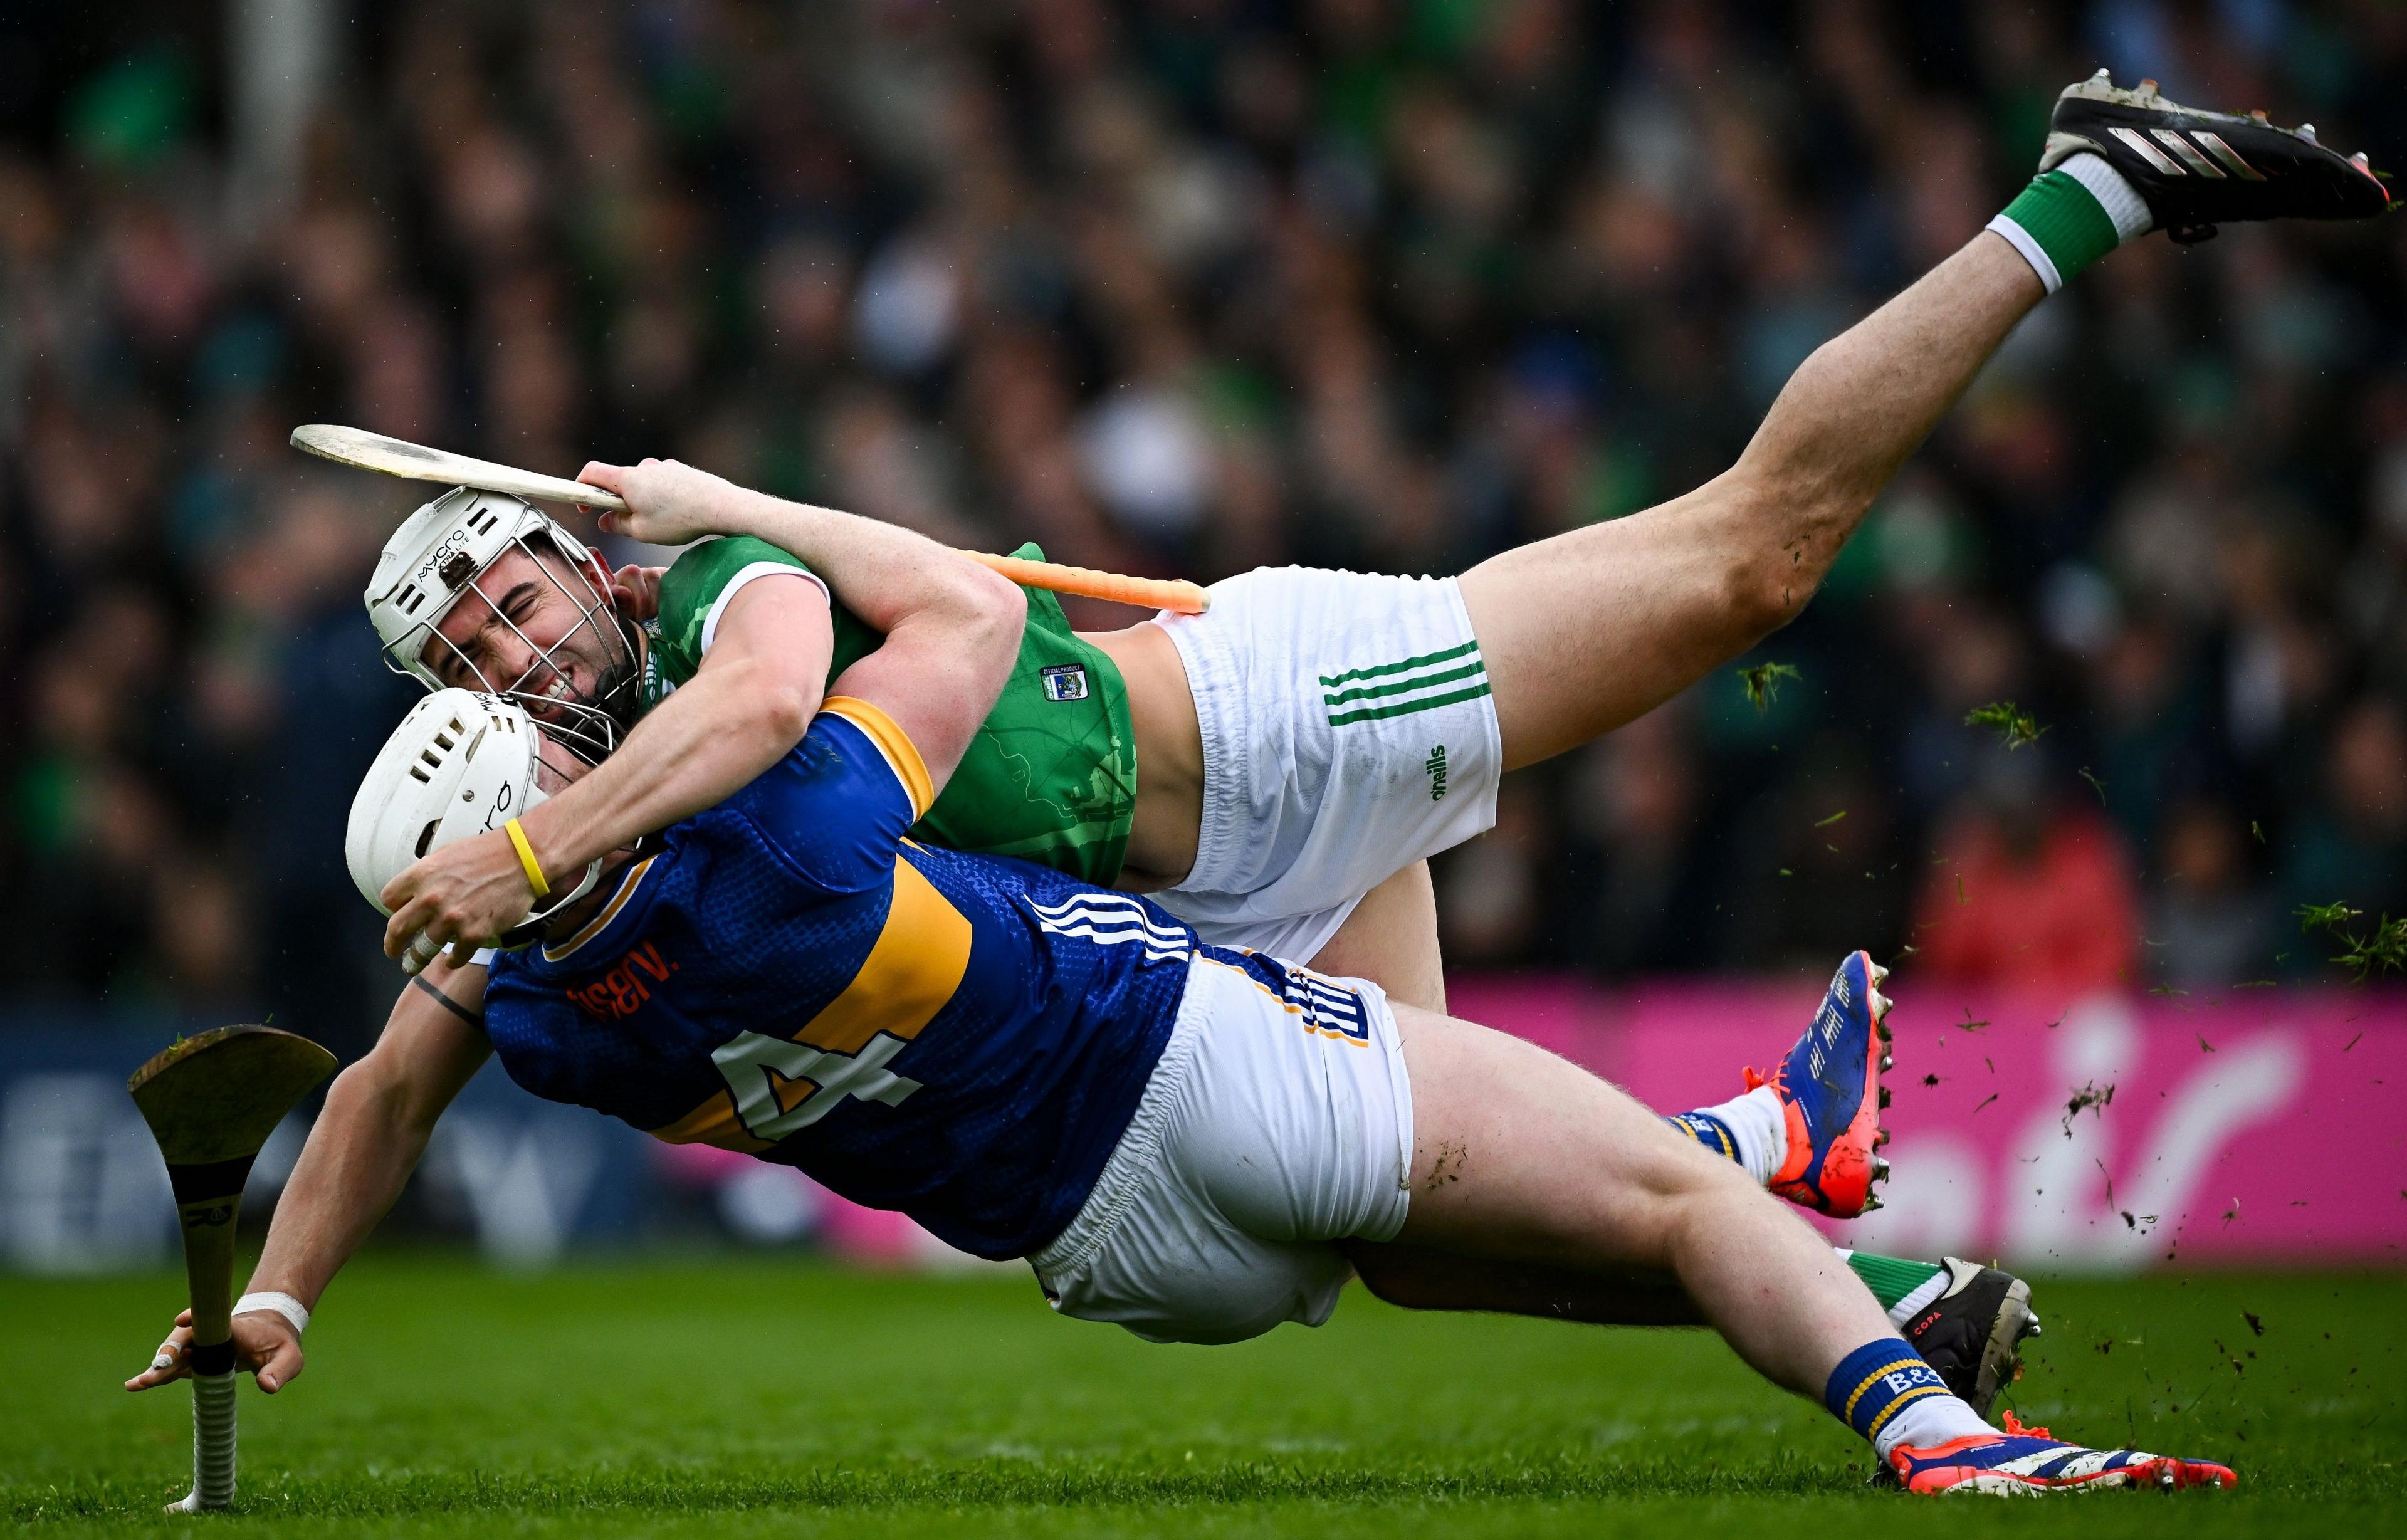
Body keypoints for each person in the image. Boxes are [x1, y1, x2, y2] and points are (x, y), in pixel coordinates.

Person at [367, 71, 2386, 1030]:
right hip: (1224, 863)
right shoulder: (630, 800)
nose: (517, 664)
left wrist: (706, 520)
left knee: (1751, 564)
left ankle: (2090, 186)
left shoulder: (723, 603)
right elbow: (450, 1028)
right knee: (1425, 1176)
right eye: (471, 663)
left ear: (582, 554)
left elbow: (766, 706)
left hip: (1280, 719)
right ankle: (1826, 1237)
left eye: (517, 599)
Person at [139, 680, 2218, 1495]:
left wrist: (282, 1301)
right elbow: (889, 640)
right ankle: (1936, 1419)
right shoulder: (775, 842)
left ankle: (1830, 1219)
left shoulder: (531, 1013)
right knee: (1672, 1198)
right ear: (549, 817)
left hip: (1110, 1254)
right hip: (1191, 1066)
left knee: (1416, 1025)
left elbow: (384, 1101)